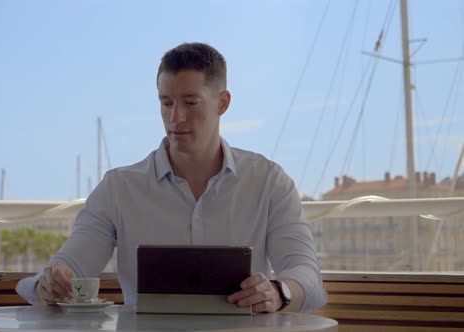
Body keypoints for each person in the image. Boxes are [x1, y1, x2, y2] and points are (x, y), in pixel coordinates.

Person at [16, 42, 327, 313]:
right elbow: (71, 265)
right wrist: (51, 285)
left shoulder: (269, 182)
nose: (176, 117)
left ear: (223, 102)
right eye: (166, 103)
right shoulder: (119, 188)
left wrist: (277, 292)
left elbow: (309, 280)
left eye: (190, 103)